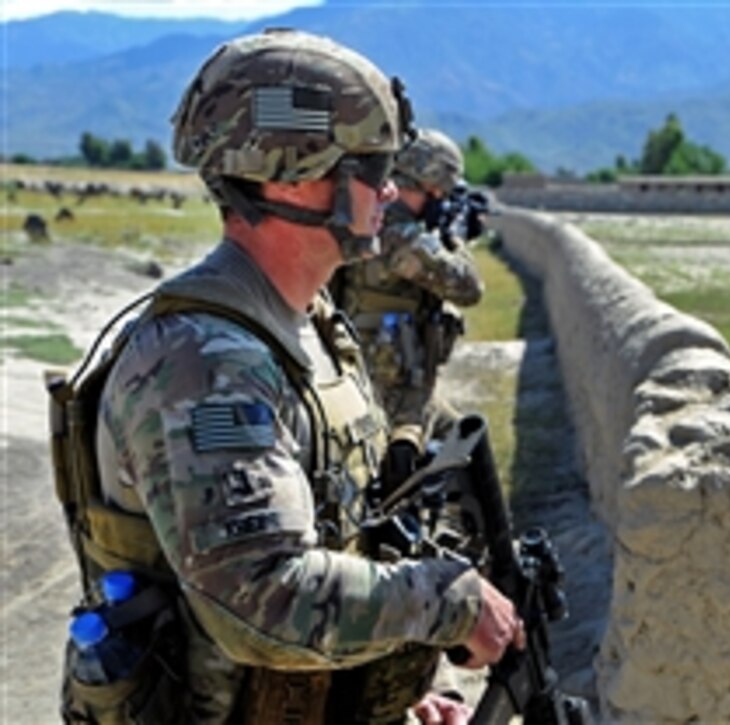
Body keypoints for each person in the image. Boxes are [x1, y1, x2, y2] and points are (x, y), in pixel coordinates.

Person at [69, 29, 522, 724]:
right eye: (370, 165)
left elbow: (337, 536)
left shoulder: (310, 322)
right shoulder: (202, 362)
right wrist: (448, 602)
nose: (390, 188)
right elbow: (263, 601)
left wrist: (388, 697)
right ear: (287, 176)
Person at [332, 128, 484, 486]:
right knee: (457, 455)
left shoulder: (366, 220)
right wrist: (457, 237)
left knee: (463, 437)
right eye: (439, 193)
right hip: (394, 394)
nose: (439, 199)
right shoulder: (399, 235)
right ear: (429, 184)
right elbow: (468, 288)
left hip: (371, 377)